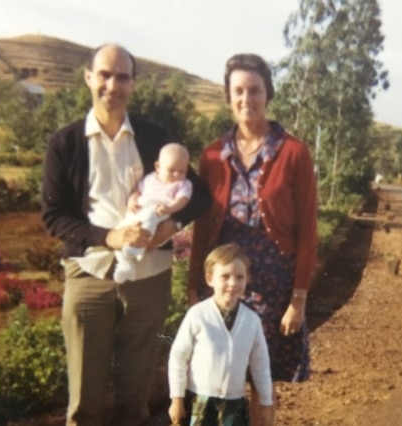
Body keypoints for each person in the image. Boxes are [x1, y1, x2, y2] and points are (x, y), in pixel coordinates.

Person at [41, 43, 210, 426]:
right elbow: (54, 217)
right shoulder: (65, 144)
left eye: (122, 76)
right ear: (88, 78)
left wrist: (171, 226)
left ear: (133, 84)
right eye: (104, 74)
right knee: (85, 404)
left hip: (148, 278)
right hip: (89, 275)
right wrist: (110, 238)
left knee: (134, 401)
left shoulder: (154, 139)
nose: (112, 85)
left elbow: (200, 195)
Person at [188, 53, 318, 424]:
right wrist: (194, 285)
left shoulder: (294, 152)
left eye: (255, 90)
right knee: (219, 375)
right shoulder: (213, 155)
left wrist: (298, 298)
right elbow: (201, 226)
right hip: (224, 284)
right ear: (229, 97)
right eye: (239, 91)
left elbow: (308, 229)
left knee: (262, 379)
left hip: (274, 286)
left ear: (268, 93)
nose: (247, 99)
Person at [168, 243, 273, 426]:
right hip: (200, 400)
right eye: (225, 276)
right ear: (210, 279)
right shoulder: (198, 315)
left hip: (234, 403)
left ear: (247, 279)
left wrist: (266, 403)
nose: (233, 283)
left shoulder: (251, 321)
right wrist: (176, 399)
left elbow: (260, 365)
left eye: (239, 277)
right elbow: (178, 357)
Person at [111, 142, 192, 283]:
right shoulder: (150, 178)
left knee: (149, 217)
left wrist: (170, 208)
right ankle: (125, 265)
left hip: (159, 211)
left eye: (182, 171)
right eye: (172, 170)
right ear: (158, 167)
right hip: (138, 211)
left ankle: (138, 248)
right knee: (119, 231)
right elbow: (138, 191)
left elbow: (182, 200)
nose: (177, 175)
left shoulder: (183, 184)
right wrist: (132, 200)